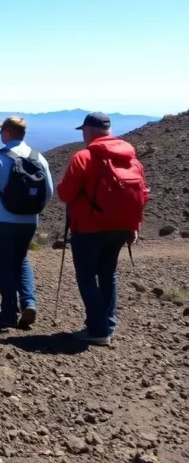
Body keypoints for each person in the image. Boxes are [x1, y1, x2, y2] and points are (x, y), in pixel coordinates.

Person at [57, 112, 148, 346]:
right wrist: (133, 226)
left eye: (84, 131)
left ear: (89, 130)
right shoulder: (131, 158)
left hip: (88, 228)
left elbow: (65, 194)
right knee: (108, 274)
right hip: (121, 229)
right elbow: (140, 196)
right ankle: (107, 324)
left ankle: (98, 329)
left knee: (86, 276)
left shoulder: (83, 157)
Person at [0, 116, 54, 329]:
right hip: (29, 221)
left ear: (8, 133)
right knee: (21, 259)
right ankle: (29, 302)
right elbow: (48, 191)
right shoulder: (39, 158)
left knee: (4, 264)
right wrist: (33, 211)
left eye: (1, 131)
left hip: (1, 220)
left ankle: (8, 312)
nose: (0, 134)